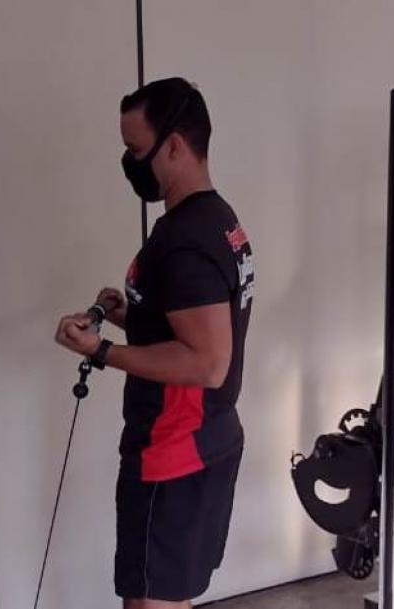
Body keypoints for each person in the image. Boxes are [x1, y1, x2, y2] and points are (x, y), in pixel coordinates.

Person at [54, 77, 255, 609]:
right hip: (201, 442)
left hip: (174, 451)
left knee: (151, 603)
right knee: (165, 598)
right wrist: (131, 315)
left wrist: (100, 352)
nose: (130, 162)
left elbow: (208, 362)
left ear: (174, 145)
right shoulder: (216, 219)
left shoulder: (186, 241)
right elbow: (189, 328)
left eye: (135, 149)